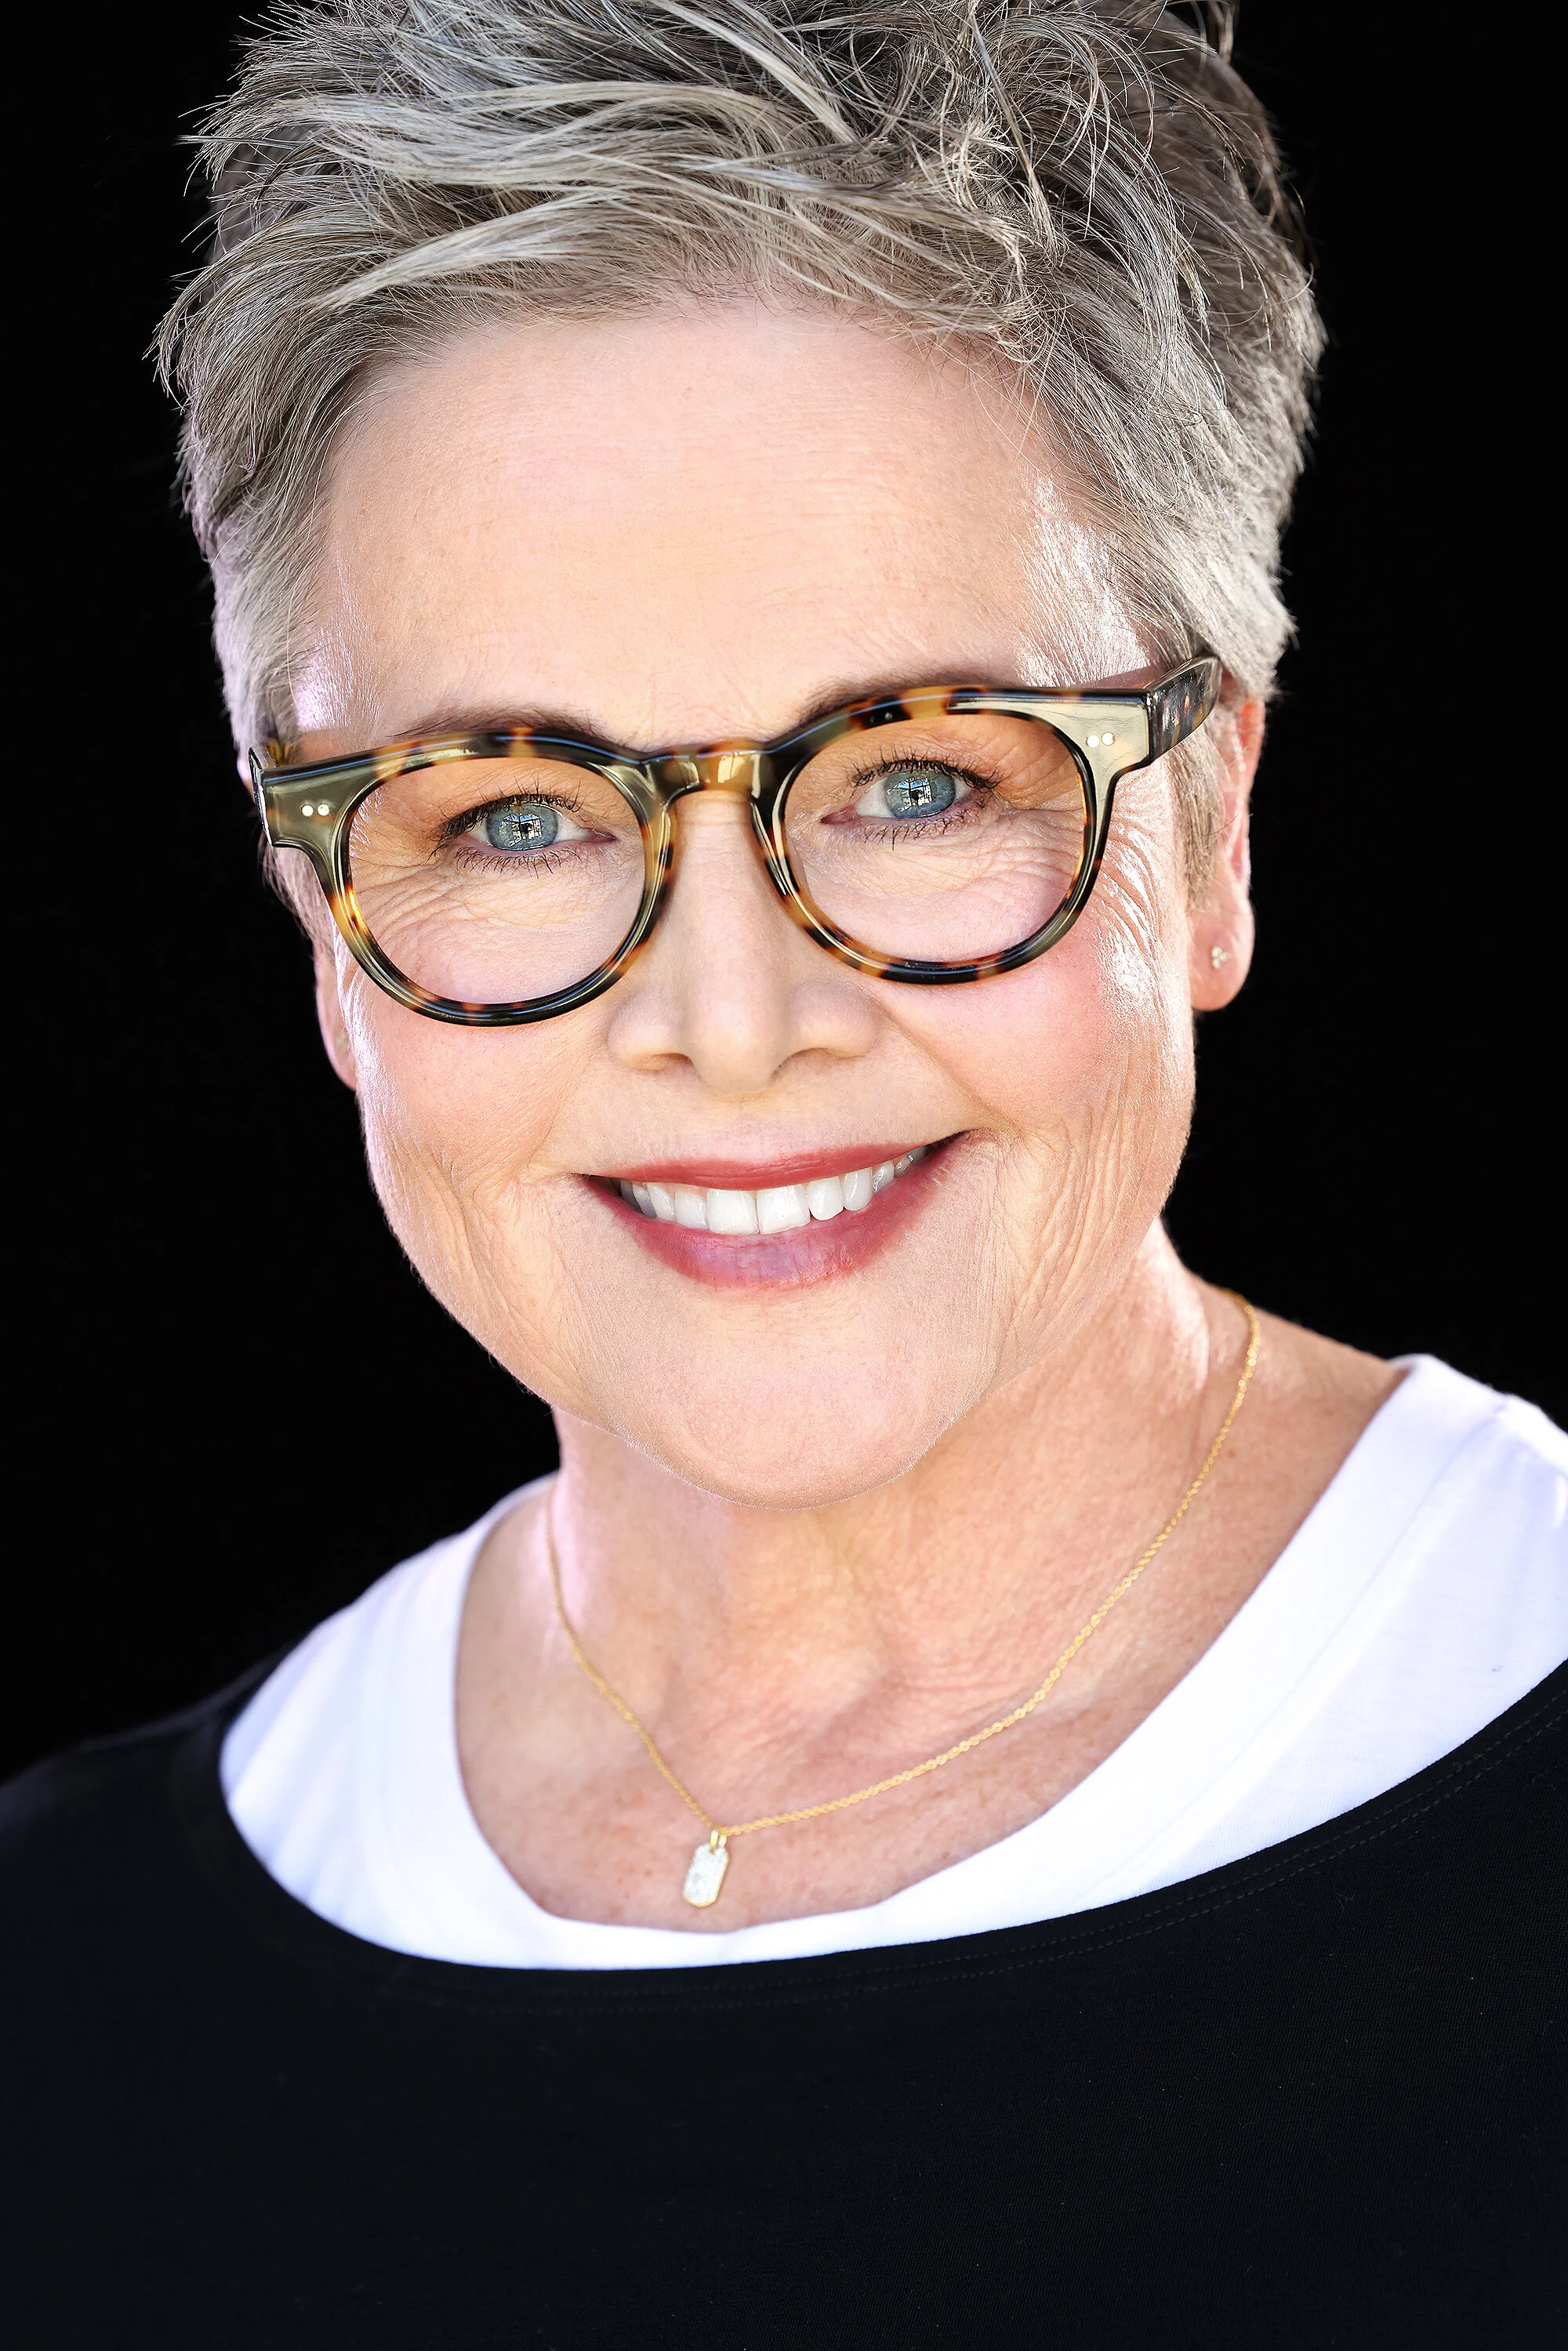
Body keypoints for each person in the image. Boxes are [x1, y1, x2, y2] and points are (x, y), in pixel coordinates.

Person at [5, 3, 1563, 2343]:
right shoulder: (66, 1989)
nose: (733, 1023)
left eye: (922, 778)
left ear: (1215, 827)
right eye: (511, 816)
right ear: (325, 928)